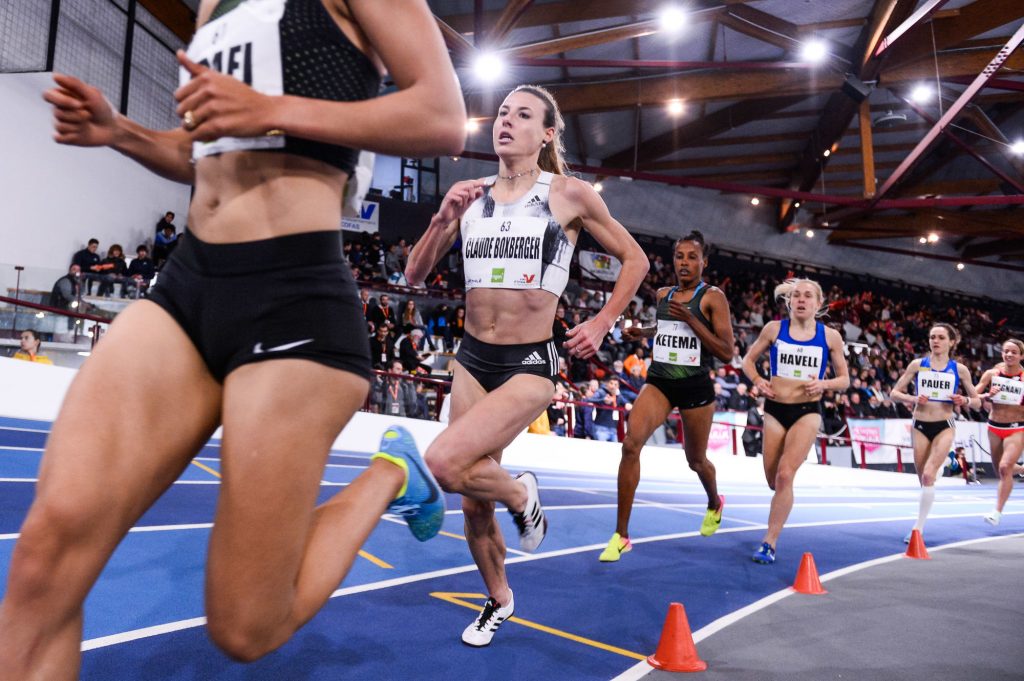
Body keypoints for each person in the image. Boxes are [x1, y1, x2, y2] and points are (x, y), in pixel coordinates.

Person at [0, 1, 466, 676]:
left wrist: (273, 108)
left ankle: (392, 472)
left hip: (294, 299)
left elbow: (442, 118)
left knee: (246, 625)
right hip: (188, 285)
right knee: (47, 552)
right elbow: (204, 151)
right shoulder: (215, 3)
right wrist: (120, 131)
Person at [404, 84, 648, 647]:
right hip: (471, 358)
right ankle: (500, 599)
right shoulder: (470, 195)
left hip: (530, 363)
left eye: (523, 115)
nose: (506, 121)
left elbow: (634, 259)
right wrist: (441, 219)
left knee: (443, 462)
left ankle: (520, 494)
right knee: (471, 503)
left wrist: (605, 321)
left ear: (547, 134)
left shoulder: (568, 194)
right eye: (503, 113)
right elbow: (415, 276)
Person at [600, 231, 734, 562]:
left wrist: (692, 318)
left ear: (704, 262)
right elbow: (667, 328)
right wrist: (642, 332)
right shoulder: (664, 294)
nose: (684, 262)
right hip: (660, 380)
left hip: (695, 388)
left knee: (696, 461)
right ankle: (621, 535)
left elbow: (727, 352)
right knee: (631, 445)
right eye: (679, 256)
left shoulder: (712, 298)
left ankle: (715, 501)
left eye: (692, 257)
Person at [741, 278, 850, 564]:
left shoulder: (830, 337)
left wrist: (824, 385)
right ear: (789, 302)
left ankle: (769, 542)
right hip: (775, 409)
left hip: (807, 411)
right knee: (772, 479)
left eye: (808, 296)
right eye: (796, 296)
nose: (801, 300)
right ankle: (775, 518)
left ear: (818, 303)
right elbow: (747, 361)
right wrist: (757, 381)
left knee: (786, 474)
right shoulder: (775, 329)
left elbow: (845, 380)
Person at [890, 323, 980, 542]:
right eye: (932, 337)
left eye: (940, 337)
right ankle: (945, 463)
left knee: (929, 475)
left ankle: (917, 530)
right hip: (920, 425)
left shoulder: (959, 369)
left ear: (951, 341)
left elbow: (977, 402)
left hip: (944, 425)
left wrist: (964, 400)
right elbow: (894, 393)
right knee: (924, 480)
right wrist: (912, 399)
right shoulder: (917, 365)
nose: (935, 341)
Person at [975, 339, 1024, 524]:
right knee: (1001, 471)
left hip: (1017, 428)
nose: (1009, 354)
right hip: (994, 427)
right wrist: (987, 395)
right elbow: (974, 396)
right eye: (1006, 351)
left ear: (1021, 355)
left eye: (1013, 352)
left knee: (1005, 468)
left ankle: (996, 513)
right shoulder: (991, 374)